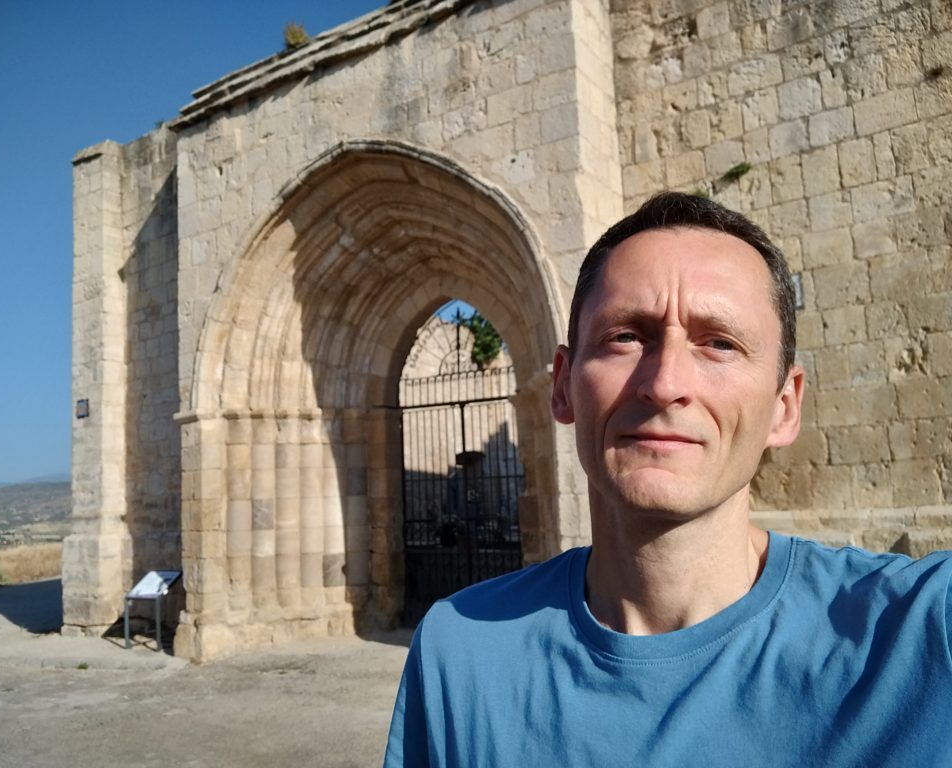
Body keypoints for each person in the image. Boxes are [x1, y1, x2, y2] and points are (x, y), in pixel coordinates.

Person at [383, 192, 952, 767]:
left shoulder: (920, 631)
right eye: (626, 336)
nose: (664, 383)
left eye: (720, 343)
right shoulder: (460, 651)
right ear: (562, 386)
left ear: (784, 407)